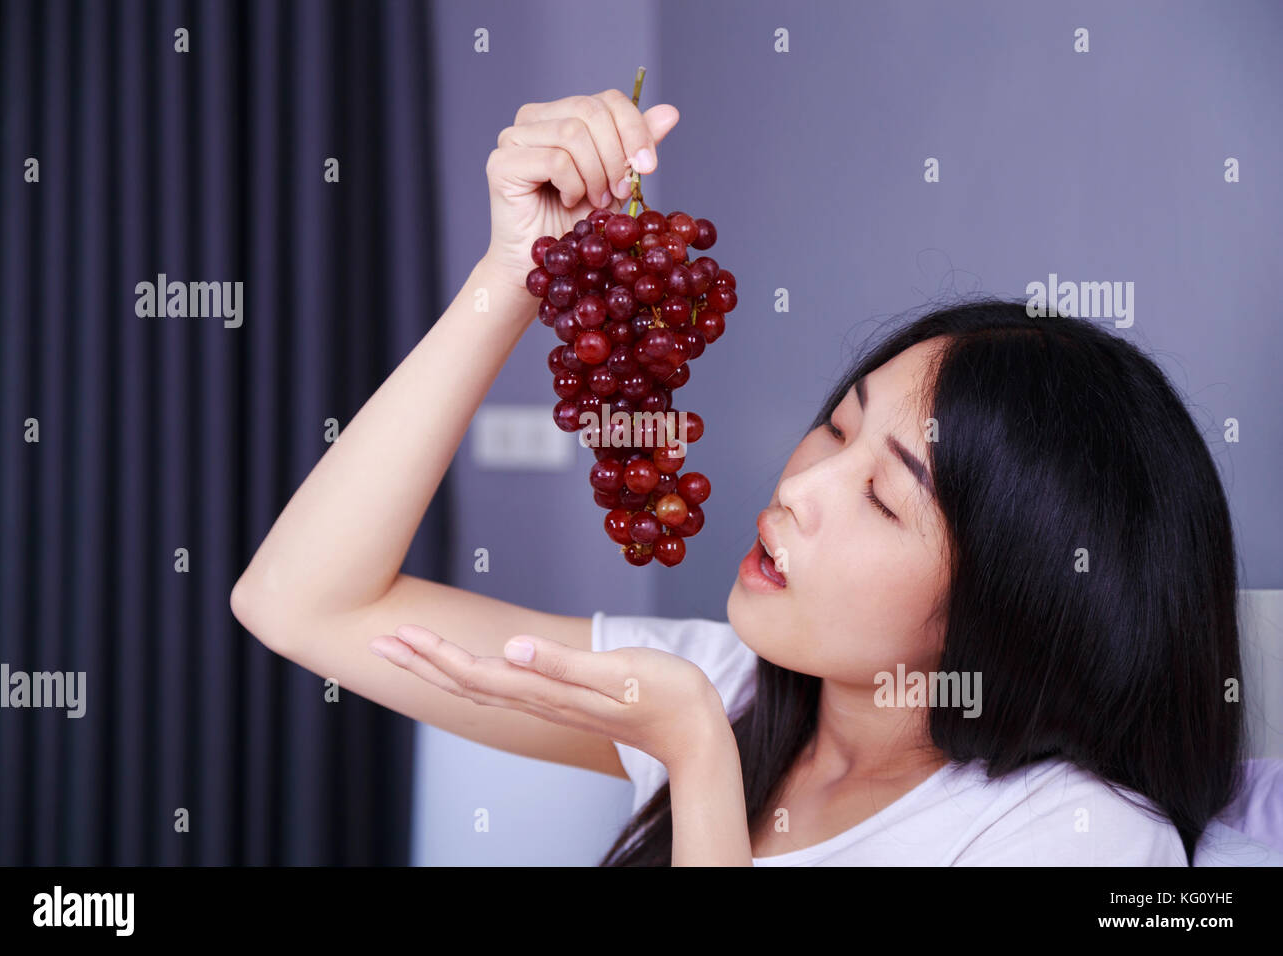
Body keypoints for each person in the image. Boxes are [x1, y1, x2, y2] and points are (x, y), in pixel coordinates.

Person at [230, 90, 1244, 867]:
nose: (799, 486)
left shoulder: (1079, 835)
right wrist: (515, 268)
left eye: (886, 496)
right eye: (833, 427)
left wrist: (697, 757)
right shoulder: (730, 685)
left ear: (1013, 598)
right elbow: (300, 602)